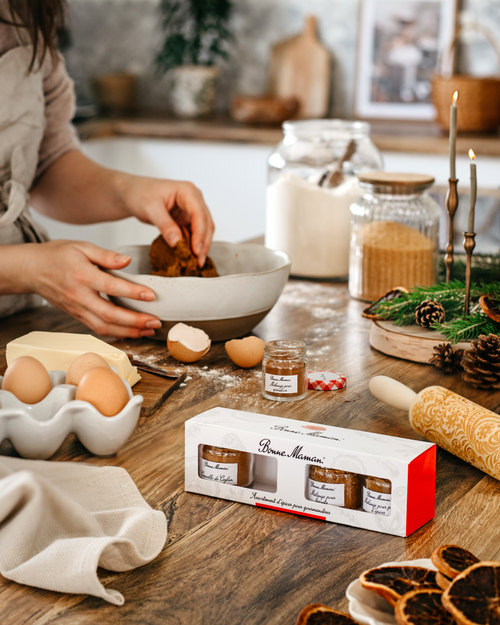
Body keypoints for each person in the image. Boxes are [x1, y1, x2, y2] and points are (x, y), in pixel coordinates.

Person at [0, 0, 215, 338]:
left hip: (15, 319)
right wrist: (27, 268)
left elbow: (45, 162)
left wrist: (130, 191)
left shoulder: (27, 10)